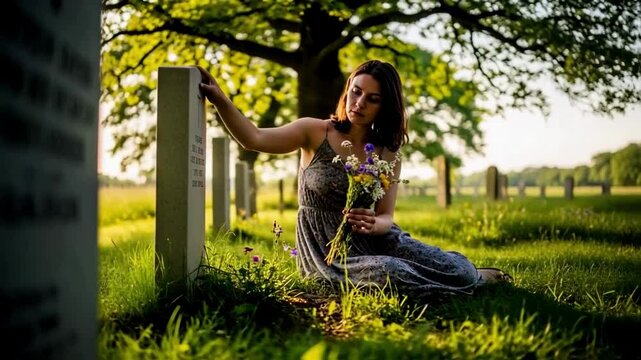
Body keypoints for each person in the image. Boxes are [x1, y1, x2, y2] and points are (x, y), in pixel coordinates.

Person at [197, 60, 511, 298]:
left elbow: (387, 215)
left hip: (377, 239)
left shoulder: (389, 150)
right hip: (326, 252)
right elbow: (254, 138)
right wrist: (220, 100)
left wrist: (377, 224)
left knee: (455, 266)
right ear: (347, 89)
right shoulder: (314, 131)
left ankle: (472, 276)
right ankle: (461, 284)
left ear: (384, 106)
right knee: (392, 273)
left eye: (372, 99)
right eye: (356, 92)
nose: (358, 103)